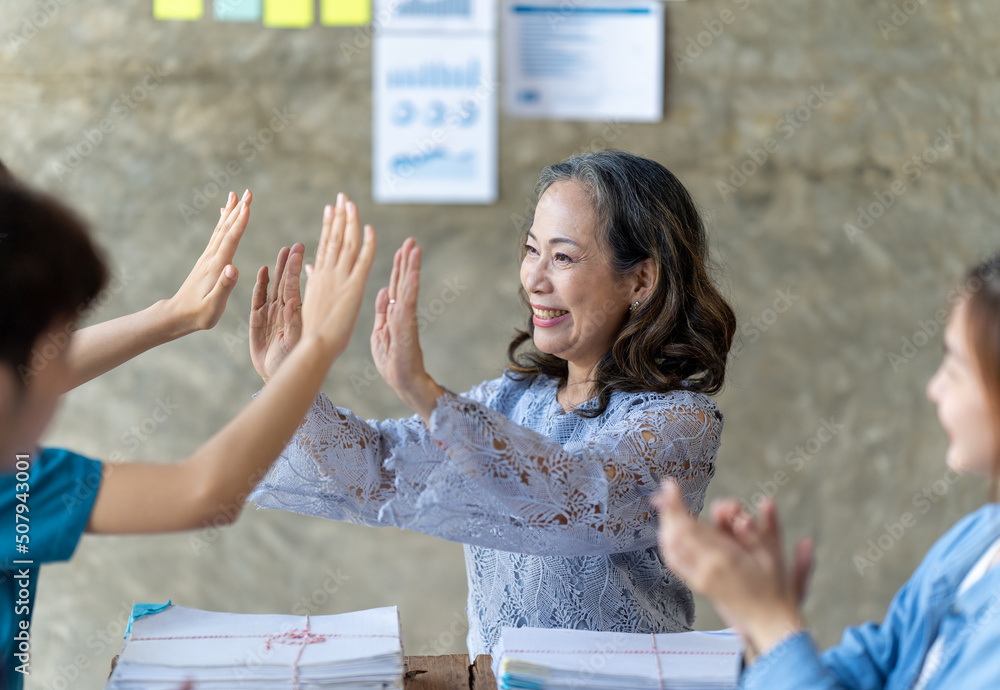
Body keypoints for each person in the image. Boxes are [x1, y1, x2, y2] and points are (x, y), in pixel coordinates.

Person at [248, 150, 737, 658]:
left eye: (563, 257)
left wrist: (422, 388)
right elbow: (378, 468)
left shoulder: (681, 421)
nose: (534, 279)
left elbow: (579, 496)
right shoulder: (507, 400)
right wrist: (291, 382)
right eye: (531, 250)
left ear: (640, 280)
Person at [0, 179, 377, 689]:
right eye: (62, 344)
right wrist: (319, 347)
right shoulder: (16, 483)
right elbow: (205, 492)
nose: (64, 369)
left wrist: (173, 315)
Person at [655, 255, 1000, 689]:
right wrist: (760, 625)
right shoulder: (980, 538)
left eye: (956, 365)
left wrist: (773, 623)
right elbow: (876, 663)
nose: (934, 387)